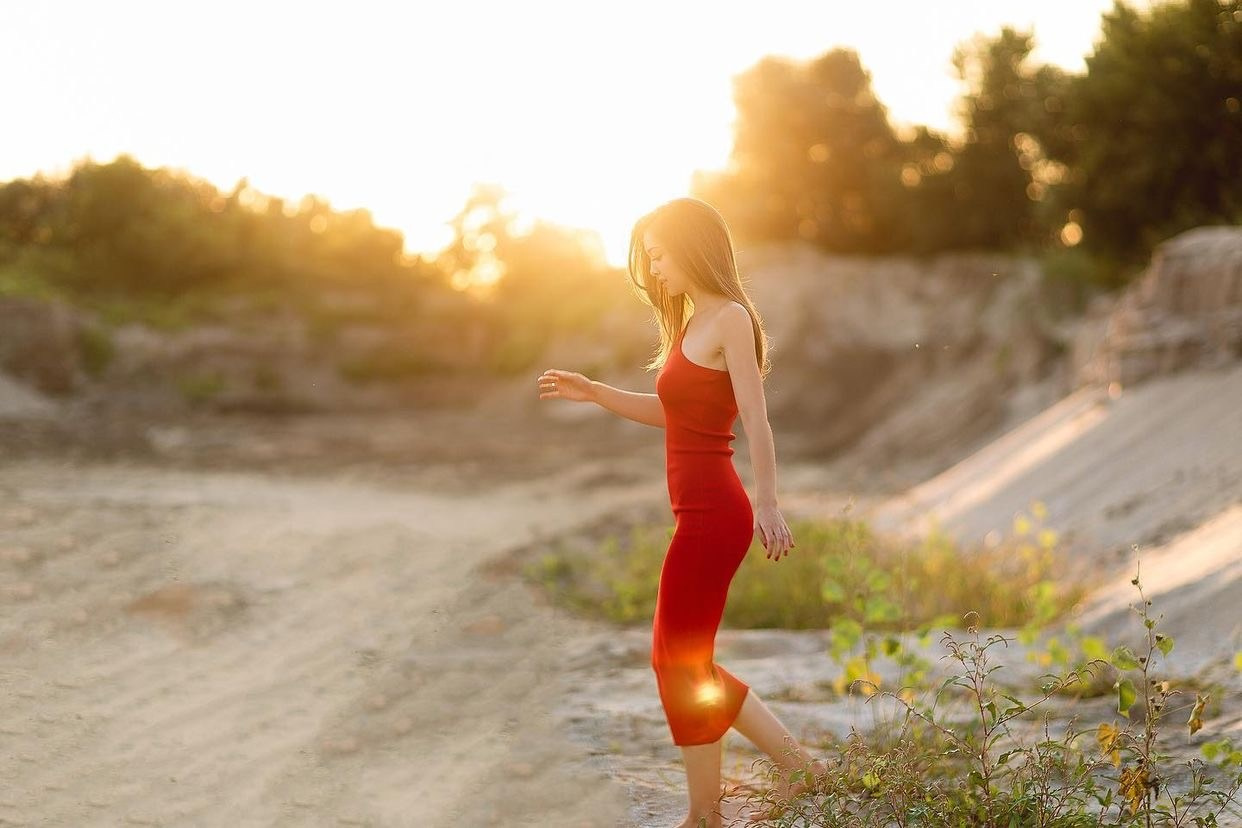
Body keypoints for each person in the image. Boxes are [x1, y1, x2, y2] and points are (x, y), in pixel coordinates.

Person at [537, 197, 827, 827]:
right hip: (694, 515)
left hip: (717, 517)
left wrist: (769, 502)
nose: (655, 268)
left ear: (692, 248)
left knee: (678, 660)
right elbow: (675, 414)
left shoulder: (730, 320)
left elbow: (756, 418)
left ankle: (707, 814)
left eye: (660, 255)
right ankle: (801, 773)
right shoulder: (692, 322)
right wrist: (597, 393)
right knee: (684, 659)